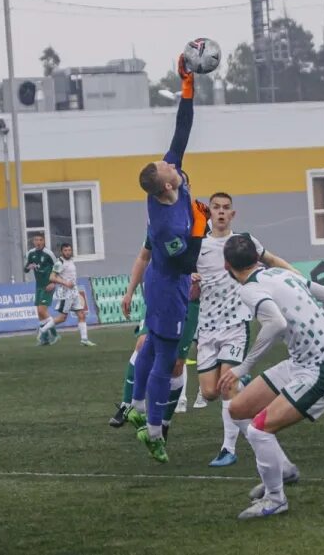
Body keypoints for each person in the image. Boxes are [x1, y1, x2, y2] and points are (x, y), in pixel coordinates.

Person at [217, 234, 324, 519]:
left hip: (323, 370)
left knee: (258, 430)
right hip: (302, 362)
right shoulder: (280, 272)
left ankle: (275, 498)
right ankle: (284, 470)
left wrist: (244, 366)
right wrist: (321, 325)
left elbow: (276, 322)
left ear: (227, 265)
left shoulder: (249, 289)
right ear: (256, 257)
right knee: (238, 408)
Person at [125, 54, 210, 463]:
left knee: (151, 350)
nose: (169, 162)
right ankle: (154, 431)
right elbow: (184, 263)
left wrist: (187, 86)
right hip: (167, 285)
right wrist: (200, 224)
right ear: (164, 188)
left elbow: (182, 131)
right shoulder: (165, 225)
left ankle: (137, 409)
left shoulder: (171, 176)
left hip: (162, 280)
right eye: (165, 167)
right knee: (167, 356)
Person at [195, 192, 299, 467]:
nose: (220, 212)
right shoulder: (198, 247)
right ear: (210, 213)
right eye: (215, 207)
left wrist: (299, 277)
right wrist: (192, 283)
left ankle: (228, 449)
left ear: (232, 214)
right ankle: (243, 380)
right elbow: (190, 290)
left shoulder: (244, 242)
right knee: (208, 393)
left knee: (227, 387)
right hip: (206, 327)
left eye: (225, 208)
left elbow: (273, 260)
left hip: (235, 325)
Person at [109, 238, 199, 440]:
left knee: (176, 363)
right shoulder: (157, 228)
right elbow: (143, 257)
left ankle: (165, 423)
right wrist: (129, 292)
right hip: (157, 296)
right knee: (142, 344)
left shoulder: (198, 231)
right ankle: (129, 406)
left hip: (186, 302)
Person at [37, 243, 95, 346]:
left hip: (74, 292)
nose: (68, 252)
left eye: (69, 250)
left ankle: (84, 339)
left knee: (81, 314)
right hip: (66, 293)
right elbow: (52, 277)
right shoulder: (60, 262)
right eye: (65, 250)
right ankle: (43, 330)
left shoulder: (71, 260)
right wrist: (65, 283)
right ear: (62, 251)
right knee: (62, 318)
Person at [24, 233, 58, 345]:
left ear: (44, 241)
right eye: (36, 240)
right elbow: (25, 268)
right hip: (38, 286)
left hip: (48, 285)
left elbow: (58, 267)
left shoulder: (49, 254)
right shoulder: (31, 253)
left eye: (40, 240)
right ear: (33, 242)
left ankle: (55, 335)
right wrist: (28, 267)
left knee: (42, 311)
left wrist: (53, 282)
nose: (38, 242)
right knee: (40, 314)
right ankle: (45, 339)